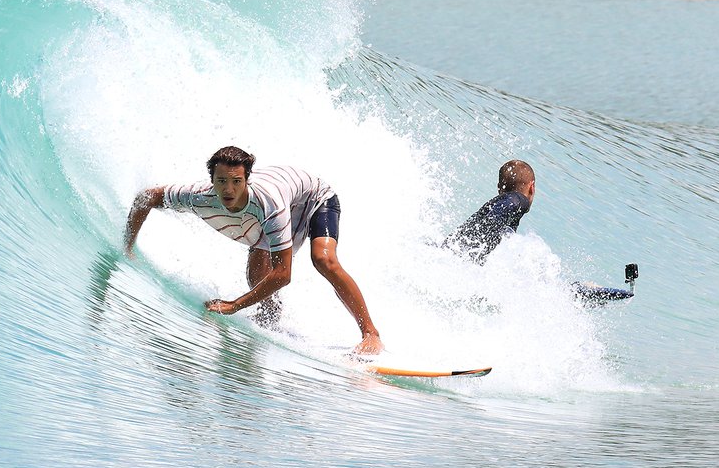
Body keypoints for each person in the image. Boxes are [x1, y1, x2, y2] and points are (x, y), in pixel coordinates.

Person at [123, 145, 384, 354]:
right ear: (211, 179)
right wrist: (127, 247)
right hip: (278, 201)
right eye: (221, 180)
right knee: (257, 274)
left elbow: (283, 274)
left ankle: (370, 333)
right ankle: (271, 316)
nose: (228, 189)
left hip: (314, 199)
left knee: (323, 259)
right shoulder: (197, 195)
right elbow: (146, 198)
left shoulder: (269, 204)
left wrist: (234, 305)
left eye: (236, 181)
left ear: (247, 179)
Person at [445, 160, 535, 264]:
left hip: (452, 249)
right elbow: (512, 202)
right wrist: (489, 232)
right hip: (459, 257)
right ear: (531, 187)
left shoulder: (499, 206)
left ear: (499, 188)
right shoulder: (520, 199)